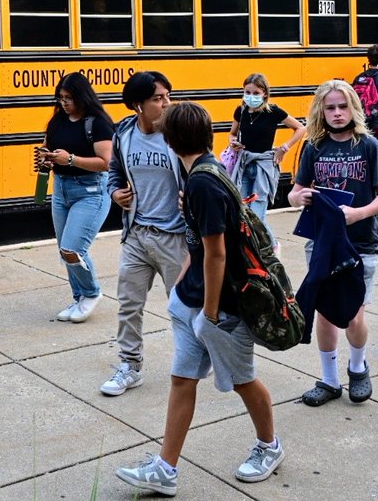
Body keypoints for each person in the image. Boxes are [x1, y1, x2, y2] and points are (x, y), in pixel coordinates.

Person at [116, 102, 284, 496]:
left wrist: (209, 314)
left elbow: (217, 253)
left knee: (243, 381)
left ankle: (269, 446)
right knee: (181, 379)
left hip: (220, 308)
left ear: (171, 140)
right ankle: (165, 468)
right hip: (194, 301)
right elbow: (199, 242)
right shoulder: (201, 174)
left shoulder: (204, 183)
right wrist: (182, 286)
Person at [288, 80, 378, 407]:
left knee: (354, 315)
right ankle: (329, 380)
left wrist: (358, 214)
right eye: (330, 107)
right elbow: (294, 193)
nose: (336, 113)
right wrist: (299, 196)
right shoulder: (313, 146)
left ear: (354, 108)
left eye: (342, 106)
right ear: (321, 110)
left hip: (360, 243)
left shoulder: (368, 146)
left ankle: (358, 367)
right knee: (325, 314)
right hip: (322, 244)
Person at [102, 71, 187, 396]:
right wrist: (114, 193)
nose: (167, 103)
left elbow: (204, 169)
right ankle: (130, 366)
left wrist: (191, 199)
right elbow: (114, 170)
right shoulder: (124, 131)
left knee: (181, 308)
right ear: (138, 104)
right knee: (128, 304)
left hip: (174, 238)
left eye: (168, 96)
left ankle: (188, 364)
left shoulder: (179, 132)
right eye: (158, 98)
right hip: (137, 233)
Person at [41, 72, 115, 323]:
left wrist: (70, 159)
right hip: (61, 189)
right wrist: (45, 157)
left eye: (69, 98)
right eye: (60, 98)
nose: (64, 103)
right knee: (64, 251)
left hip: (91, 191)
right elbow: (47, 146)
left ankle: (92, 293)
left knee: (73, 248)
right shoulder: (57, 121)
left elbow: (106, 163)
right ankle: (79, 298)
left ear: (82, 96)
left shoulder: (98, 123)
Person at [226, 73, 306, 246]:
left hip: (264, 167)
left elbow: (300, 128)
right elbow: (232, 134)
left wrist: (284, 148)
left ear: (264, 93)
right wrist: (233, 142)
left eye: (256, 93)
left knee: (258, 217)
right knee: (243, 211)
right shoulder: (241, 111)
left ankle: (272, 246)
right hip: (245, 166)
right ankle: (261, 250)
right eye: (247, 92)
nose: (251, 97)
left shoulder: (273, 112)